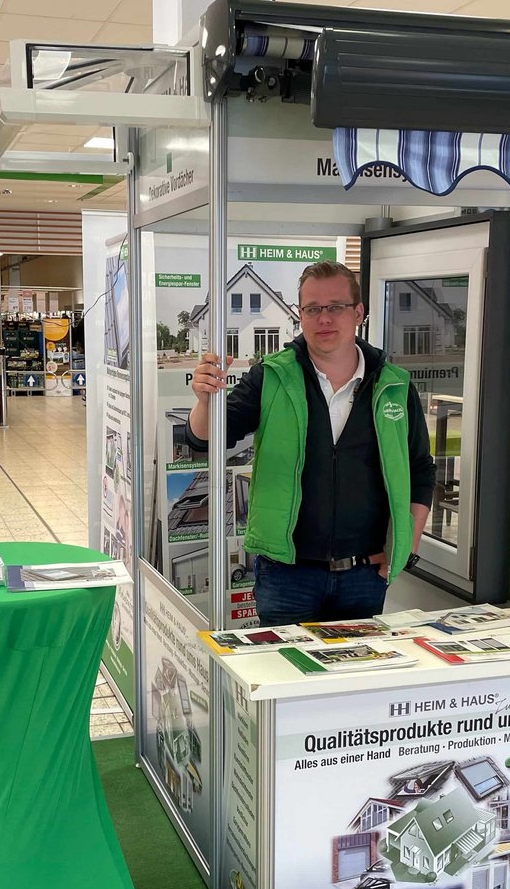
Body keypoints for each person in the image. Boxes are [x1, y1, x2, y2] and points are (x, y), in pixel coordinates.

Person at [186, 261, 435, 625]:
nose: (324, 319)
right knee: (283, 675)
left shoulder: (393, 385)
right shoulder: (271, 375)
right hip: (287, 575)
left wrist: (406, 546)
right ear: (300, 315)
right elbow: (205, 438)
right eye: (313, 309)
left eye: (336, 307)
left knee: (354, 679)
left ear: (359, 312)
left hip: (364, 575)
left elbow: (420, 470)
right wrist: (205, 400)